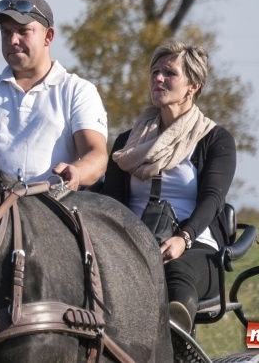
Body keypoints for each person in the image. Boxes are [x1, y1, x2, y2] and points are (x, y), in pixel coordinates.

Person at [100, 38, 236, 333]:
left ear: (193, 85)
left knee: (176, 272)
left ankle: (177, 340)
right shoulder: (127, 143)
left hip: (194, 247)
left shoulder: (215, 139)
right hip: (132, 242)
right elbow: (112, 202)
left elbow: (213, 199)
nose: (158, 79)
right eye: (154, 72)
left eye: (170, 73)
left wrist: (183, 238)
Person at [0, 0, 108, 191]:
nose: (12, 40)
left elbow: (97, 155)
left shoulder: (78, 91)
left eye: (23, 31)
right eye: (6, 32)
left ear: (48, 36)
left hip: (54, 210)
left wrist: (77, 170)